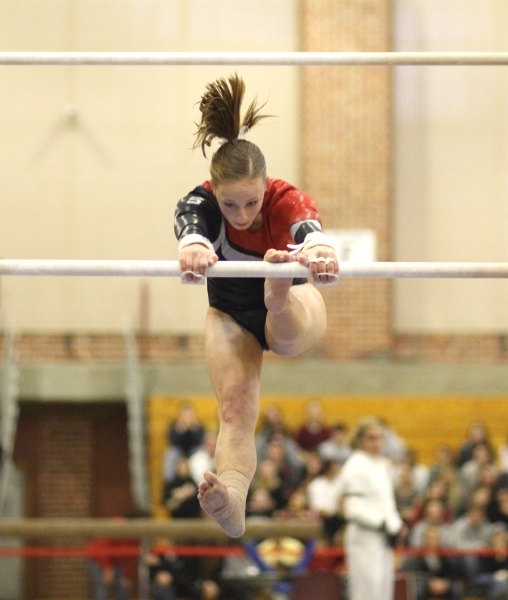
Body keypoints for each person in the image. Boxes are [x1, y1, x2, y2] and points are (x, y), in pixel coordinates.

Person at [174, 74, 337, 538]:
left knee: (284, 337)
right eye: (231, 205)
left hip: (293, 304)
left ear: (267, 186)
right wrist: (193, 243)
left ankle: (277, 294)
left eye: (252, 201)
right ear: (215, 191)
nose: (242, 214)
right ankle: (231, 497)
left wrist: (319, 249)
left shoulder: (287, 200)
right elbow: (188, 220)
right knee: (235, 409)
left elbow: (307, 225)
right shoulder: (201, 204)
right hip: (231, 313)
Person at [333, 417, 405, 600]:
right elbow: (352, 509)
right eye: (371, 438)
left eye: (380, 438)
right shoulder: (355, 465)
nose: (376, 443)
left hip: (384, 538)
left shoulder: (382, 465)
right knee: (367, 592)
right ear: (359, 440)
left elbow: (387, 503)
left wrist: (396, 525)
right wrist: (383, 524)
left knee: (383, 591)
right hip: (364, 538)